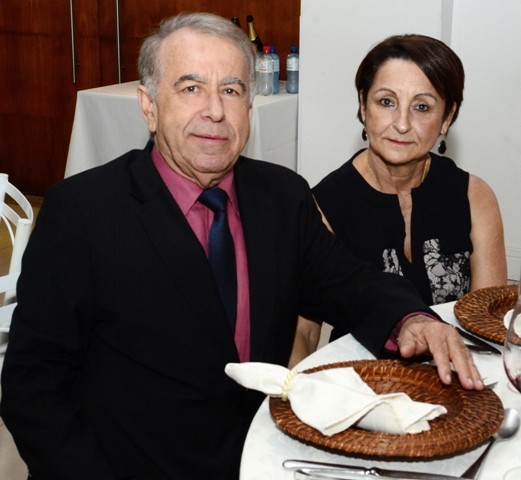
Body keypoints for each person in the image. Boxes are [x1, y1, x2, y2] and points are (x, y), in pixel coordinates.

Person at [0, 16, 483, 480]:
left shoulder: (281, 196)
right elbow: (33, 385)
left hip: (265, 455)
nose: (215, 110)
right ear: (149, 106)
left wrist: (411, 319)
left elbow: (349, 281)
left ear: (249, 106)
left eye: (231, 90)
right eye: (191, 88)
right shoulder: (83, 212)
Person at [290, 34, 506, 366]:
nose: (402, 124)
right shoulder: (323, 206)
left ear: (447, 117)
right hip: (365, 380)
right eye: (386, 102)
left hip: (459, 375)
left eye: (422, 107)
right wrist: (292, 391)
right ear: (363, 105)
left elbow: (487, 323)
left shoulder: (474, 196)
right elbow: (304, 334)